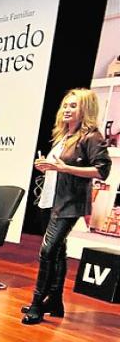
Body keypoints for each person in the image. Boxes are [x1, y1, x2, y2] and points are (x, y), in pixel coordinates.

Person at [26, 88, 113, 324]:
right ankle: (55, 301)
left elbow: (102, 170)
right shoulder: (63, 135)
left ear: (85, 109)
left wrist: (64, 168)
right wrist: (45, 165)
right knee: (58, 252)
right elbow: (57, 166)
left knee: (47, 251)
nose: (67, 109)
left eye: (73, 106)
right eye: (65, 105)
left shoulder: (91, 136)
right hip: (50, 199)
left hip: (69, 203)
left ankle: (37, 303)